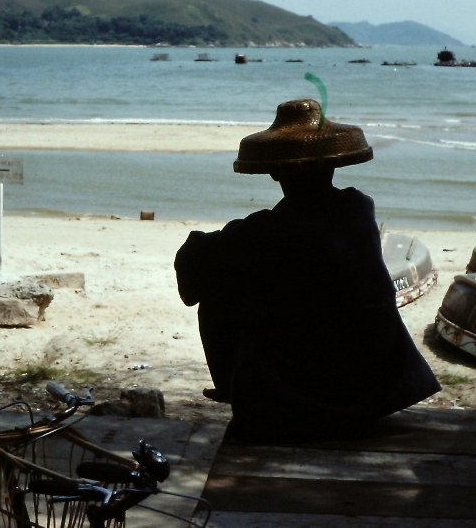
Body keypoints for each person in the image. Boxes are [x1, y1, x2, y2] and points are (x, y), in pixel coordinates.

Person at [174, 99, 440, 443]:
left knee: (218, 278)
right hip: (377, 390)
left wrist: (222, 241)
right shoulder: (358, 209)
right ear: (334, 165)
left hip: (304, 396)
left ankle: (232, 385)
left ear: (274, 172)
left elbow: (192, 271)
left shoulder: (264, 232)